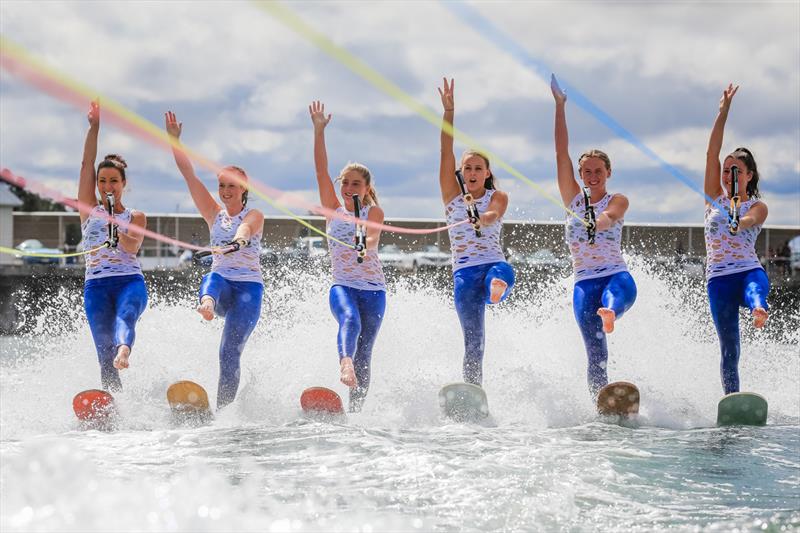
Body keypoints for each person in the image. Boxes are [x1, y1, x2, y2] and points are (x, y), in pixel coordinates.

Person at [165, 111, 265, 409]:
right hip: (220, 286)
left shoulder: (254, 215)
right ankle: (206, 305)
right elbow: (189, 176)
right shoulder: (213, 213)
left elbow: (247, 229)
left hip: (248, 291)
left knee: (229, 351)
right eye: (222, 185)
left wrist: (239, 240)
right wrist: (174, 141)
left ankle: (224, 410)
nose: (225, 191)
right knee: (213, 277)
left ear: (244, 189)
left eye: (232, 186)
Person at [551, 75, 637, 399]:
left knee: (610, 305)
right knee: (595, 353)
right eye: (586, 171)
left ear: (608, 173)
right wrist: (560, 106)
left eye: (598, 171)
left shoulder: (618, 199)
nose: (591, 176)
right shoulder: (572, 198)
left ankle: (611, 313)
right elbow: (561, 153)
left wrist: (595, 223)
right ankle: (598, 403)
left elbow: (609, 217)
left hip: (617, 278)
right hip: (584, 283)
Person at [309, 100, 386, 412]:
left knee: (366, 351)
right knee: (349, 320)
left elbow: (372, 235)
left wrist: (364, 244)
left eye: (357, 183)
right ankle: (344, 364)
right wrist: (318, 132)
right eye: (346, 182)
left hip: (374, 290)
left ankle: (355, 413)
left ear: (366, 189)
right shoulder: (334, 208)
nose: (350, 187)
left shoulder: (373, 210)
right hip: (343, 285)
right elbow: (320, 170)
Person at [438, 78, 515, 386]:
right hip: (464, 272)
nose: (472, 173)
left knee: (499, 275)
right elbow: (445, 149)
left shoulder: (497, 196)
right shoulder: (451, 195)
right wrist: (449, 111)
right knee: (474, 341)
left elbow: (494, 214)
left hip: (493, 263)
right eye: (467, 168)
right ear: (461, 172)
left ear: (487, 173)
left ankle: (496, 290)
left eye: (477, 168)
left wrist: (481, 219)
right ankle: (473, 390)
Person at [703, 84, 769, 395]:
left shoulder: (756, 206)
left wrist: (737, 222)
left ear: (749, 175)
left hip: (747, 273)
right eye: (726, 169)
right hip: (718, 280)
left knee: (756, 292)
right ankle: (732, 399)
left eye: (736, 170)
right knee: (729, 349)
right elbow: (711, 152)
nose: (729, 174)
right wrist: (723, 113)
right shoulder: (713, 199)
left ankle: (759, 309)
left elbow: (750, 221)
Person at [78, 100, 148, 391]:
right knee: (103, 355)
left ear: (123, 183)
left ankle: (125, 350)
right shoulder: (88, 210)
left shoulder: (135, 216)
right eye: (103, 181)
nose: (108, 185)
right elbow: (86, 164)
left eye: (114, 181)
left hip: (128, 282)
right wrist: (94, 128)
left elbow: (132, 247)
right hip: (96, 286)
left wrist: (116, 229)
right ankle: (114, 406)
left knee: (126, 317)